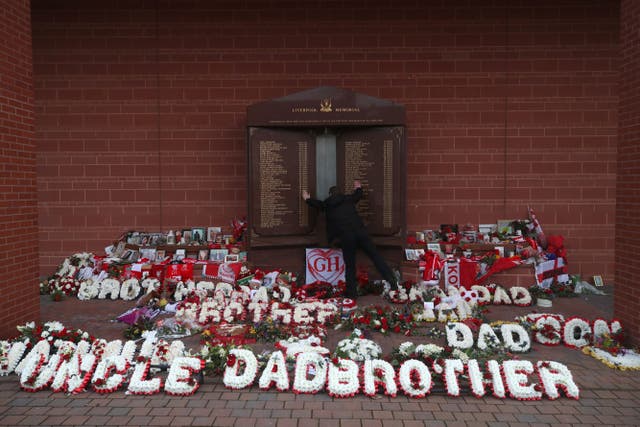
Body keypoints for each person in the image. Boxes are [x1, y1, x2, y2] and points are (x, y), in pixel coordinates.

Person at [303, 181, 398, 299]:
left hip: (346, 237)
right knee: (376, 257)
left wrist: (307, 199)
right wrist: (358, 188)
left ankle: (352, 293)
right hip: (361, 233)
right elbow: (358, 195)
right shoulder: (348, 199)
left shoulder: (327, 204)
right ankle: (393, 282)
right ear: (340, 193)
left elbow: (318, 204)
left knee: (350, 265)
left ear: (330, 194)